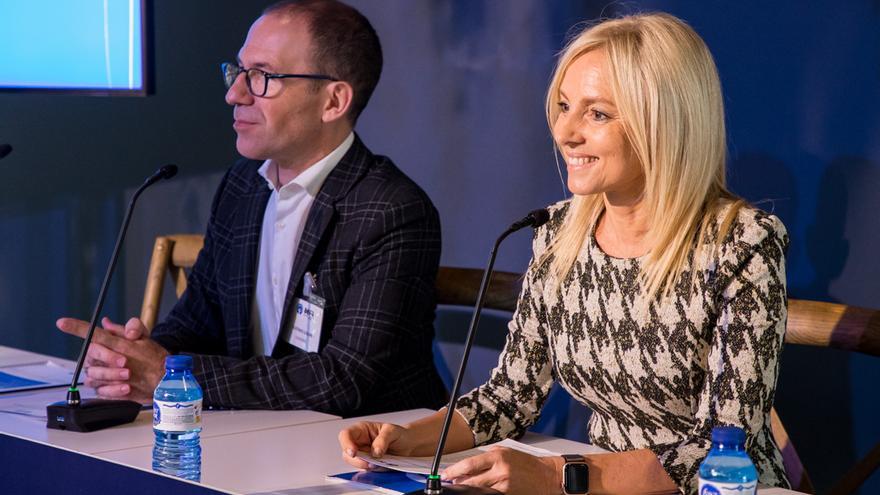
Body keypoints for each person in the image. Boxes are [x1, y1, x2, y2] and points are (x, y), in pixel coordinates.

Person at [338, 12, 790, 494]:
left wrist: (560, 476)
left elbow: (723, 446)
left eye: (597, 113)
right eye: (563, 106)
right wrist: (410, 437)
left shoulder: (741, 241)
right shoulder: (559, 232)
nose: (565, 132)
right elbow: (510, 397)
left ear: (663, 122)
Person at [56, 0, 447, 416]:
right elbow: (200, 321)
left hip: (371, 451)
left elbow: (343, 380)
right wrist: (134, 361)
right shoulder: (243, 185)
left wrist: (168, 375)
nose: (234, 94)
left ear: (333, 101)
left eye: (262, 76)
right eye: (238, 71)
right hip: (256, 431)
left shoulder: (392, 210)